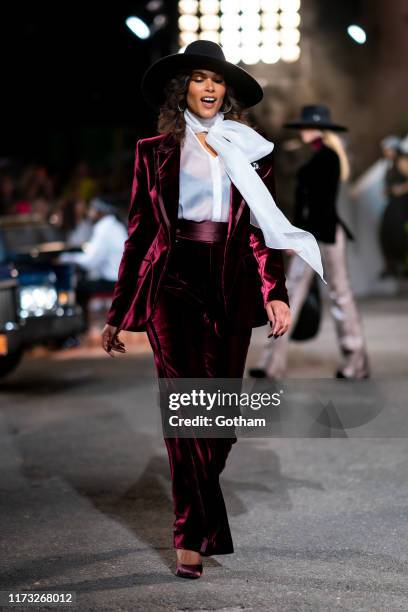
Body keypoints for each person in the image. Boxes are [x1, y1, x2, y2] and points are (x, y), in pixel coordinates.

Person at [100, 41, 324, 579]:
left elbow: (259, 230)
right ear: (184, 87)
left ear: (227, 92)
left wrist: (275, 290)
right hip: (172, 285)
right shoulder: (152, 151)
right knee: (186, 412)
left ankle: (198, 513)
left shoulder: (249, 148)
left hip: (230, 283)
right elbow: (139, 235)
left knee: (219, 420)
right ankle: (190, 536)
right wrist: (119, 309)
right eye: (199, 78)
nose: (208, 88)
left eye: (217, 81)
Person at [250, 105, 370, 380]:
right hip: (312, 235)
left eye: (308, 125)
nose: (304, 130)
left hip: (322, 235)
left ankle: (356, 363)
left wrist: (300, 237)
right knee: (292, 295)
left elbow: (321, 206)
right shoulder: (317, 158)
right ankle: (272, 364)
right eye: (303, 126)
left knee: (339, 295)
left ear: (320, 129)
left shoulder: (327, 158)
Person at [58, 197, 127, 328]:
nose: (90, 213)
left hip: (113, 281)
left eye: (93, 210)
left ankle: (82, 329)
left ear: (100, 212)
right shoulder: (114, 225)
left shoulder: (103, 228)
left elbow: (89, 262)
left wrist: (65, 258)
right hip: (122, 278)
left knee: (78, 289)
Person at [379, 137, 408, 277]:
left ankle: (400, 263)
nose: (386, 152)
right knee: (386, 231)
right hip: (393, 202)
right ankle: (393, 265)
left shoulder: (402, 161)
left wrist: (401, 189)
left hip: (402, 202)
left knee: (397, 230)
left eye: (388, 149)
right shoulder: (389, 164)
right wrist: (389, 191)